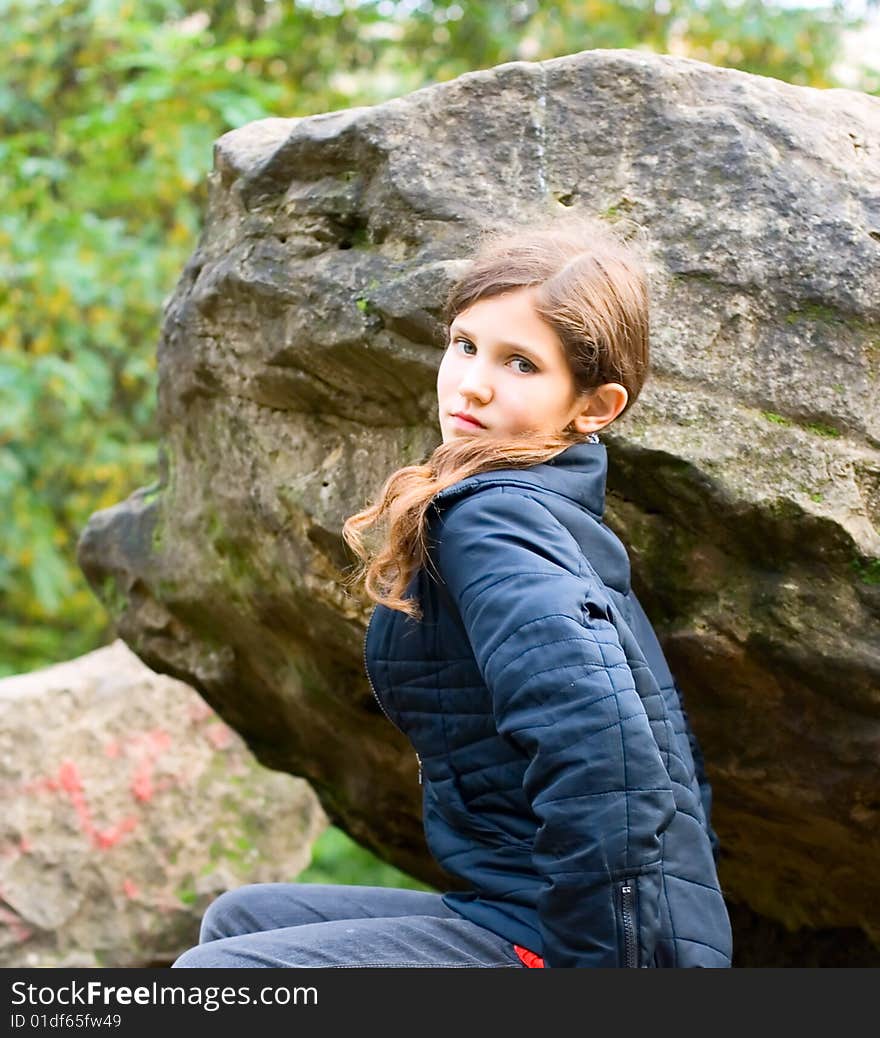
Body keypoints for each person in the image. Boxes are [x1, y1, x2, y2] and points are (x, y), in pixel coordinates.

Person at [173, 209, 733, 968]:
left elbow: (607, 754)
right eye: (465, 345)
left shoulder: (498, 521)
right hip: (526, 903)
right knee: (246, 920)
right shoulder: (538, 506)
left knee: (220, 979)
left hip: (592, 940)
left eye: (520, 364)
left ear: (593, 406)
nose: (472, 383)